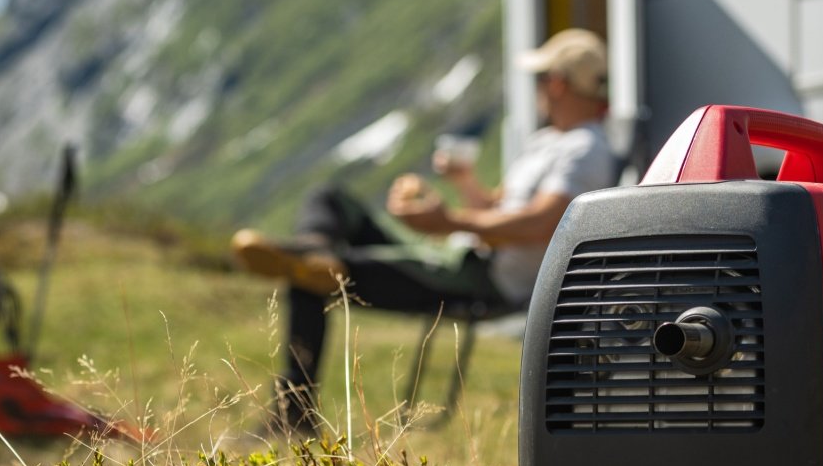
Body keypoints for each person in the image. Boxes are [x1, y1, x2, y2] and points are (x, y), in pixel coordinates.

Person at [231, 28, 620, 433]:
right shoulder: (550, 141)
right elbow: (499, 210)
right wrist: (464, 183)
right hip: (459, 258)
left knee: (309, 277)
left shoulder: (585, 149)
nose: (538, 88)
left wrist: (446, 222)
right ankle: (318, 248)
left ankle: (294, 415)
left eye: (540, 79)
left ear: (557, 84)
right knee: (328, 202)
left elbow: (543, 223)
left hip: (480, 278)